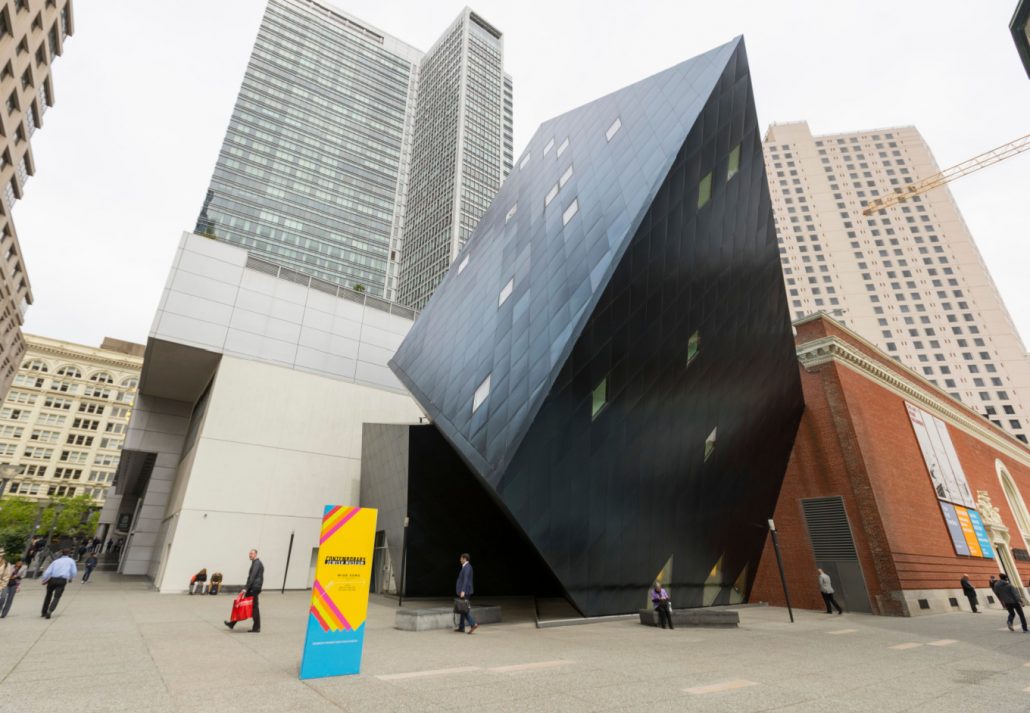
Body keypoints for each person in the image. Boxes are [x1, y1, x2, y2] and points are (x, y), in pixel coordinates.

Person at [224, 549, 263, 633]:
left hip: (254, 588)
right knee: (243, 605)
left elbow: (252, 577)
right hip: (254, 588)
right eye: (249, 553)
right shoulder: (255, 563)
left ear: (256, 554)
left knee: (254, 607)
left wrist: (246, 588)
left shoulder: (257, 563)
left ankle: (256, 628)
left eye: (252, 553)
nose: (250, 555)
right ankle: (232, 623)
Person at [40, 549, 77, 619]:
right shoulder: (71, 561)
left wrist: (44, 579)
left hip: (52, 579)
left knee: (48, 595)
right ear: (69, 554)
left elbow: (48, 572)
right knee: (57, 596)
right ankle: (50, 610)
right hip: (62, 580)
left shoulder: (56, 561)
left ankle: (43, 612)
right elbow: (74, 572)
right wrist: (70, 578)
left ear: (62, 553)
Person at [454, 553, 478, 634]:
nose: (460, 560)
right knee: (462, 608)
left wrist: (463, 591)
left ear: (464, 558)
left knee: (464, 609)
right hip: (466, 591)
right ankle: (461, 627)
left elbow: (466, 580)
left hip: (465, 591)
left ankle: (473, 623)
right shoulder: (466, 567)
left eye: (461, 558)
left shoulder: (467, 567)